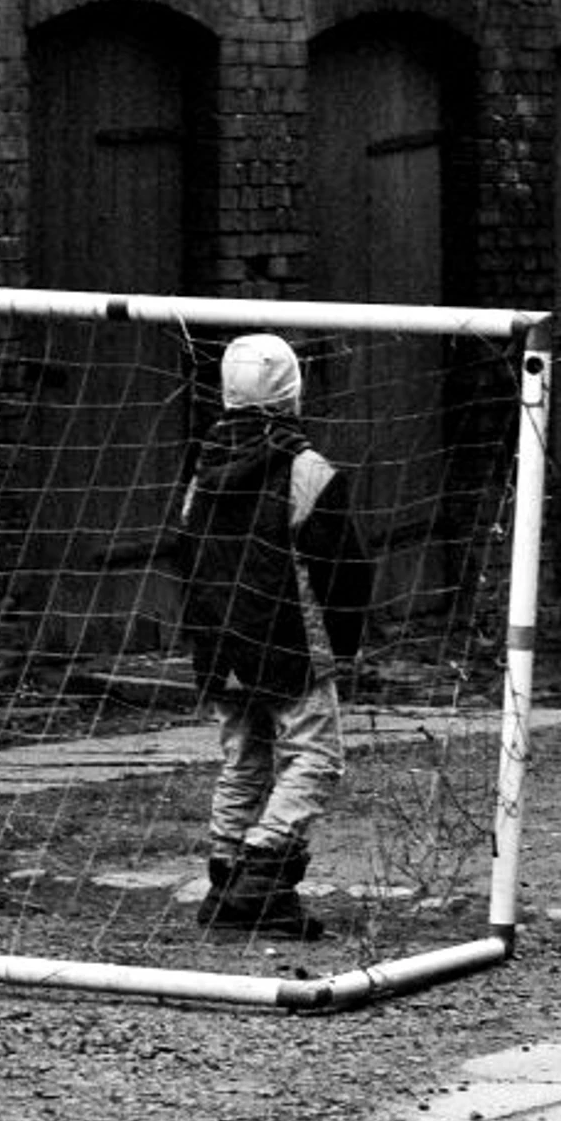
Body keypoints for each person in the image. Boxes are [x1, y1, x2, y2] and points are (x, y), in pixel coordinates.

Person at [179, 333, 374, 938]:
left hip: (219, 645)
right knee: (316, 757)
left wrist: (206, 644)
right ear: (293, 391)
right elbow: (347, 571)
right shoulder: (309, 472)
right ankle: (262, 874)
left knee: (245, 759)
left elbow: (188, 562)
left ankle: (226, 879)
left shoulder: (200, 474)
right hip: (289, 646)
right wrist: (342, 648)